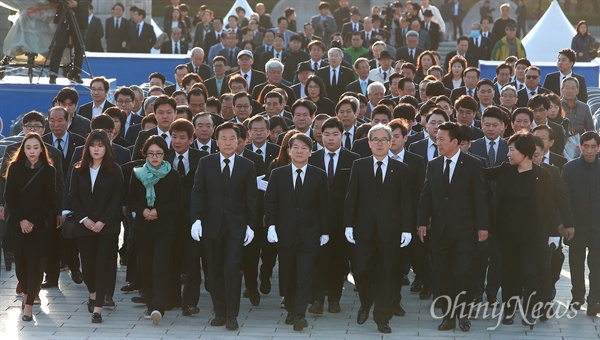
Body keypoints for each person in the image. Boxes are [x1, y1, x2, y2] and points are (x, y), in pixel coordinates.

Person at [418, 122, 488, 332]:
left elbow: (480, 197)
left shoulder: (473, 164)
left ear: (455, 142)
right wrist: (422, 221)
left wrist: (483, 226)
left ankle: (463, 314)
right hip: (440, 230)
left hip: (466, 230)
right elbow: (426, 195)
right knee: (444, 273)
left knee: (462, 271)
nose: (437, 142)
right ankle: (448, 316)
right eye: (437, 138)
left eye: (442, 139)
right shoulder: (433, 165)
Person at [344, 124, 413, 334]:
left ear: (391, 142)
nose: (380, 143)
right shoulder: (360, 165)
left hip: (390, 232)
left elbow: (406, 202)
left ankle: (382, 318)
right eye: (376, 139)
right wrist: (348, 224)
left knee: (386, 274)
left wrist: (406, 229)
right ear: (369, 143)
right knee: (361, 270)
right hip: (363, 230)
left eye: (384, 139)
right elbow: (351, 198)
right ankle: (366, 302)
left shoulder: (401, 169)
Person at [483, 131, 556, 326]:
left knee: (530, 273)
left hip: (533, 235)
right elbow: (482, 173)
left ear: (524, 152)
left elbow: (549, 207)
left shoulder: (543, 176)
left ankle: (530, 311)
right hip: (507, 234)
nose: (509, 154)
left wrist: (553, 234)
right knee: (509, 272)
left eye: (512, 150)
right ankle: (508, 310)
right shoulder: (506, 170)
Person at [190, 122, 257, 331]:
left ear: (239, 141)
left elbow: (251, 198)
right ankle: (219, 312)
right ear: (216, 141)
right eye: (224, 138)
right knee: (214, 271)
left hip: (236, 227)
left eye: (232, 138)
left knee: (231, 269)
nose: (228, 142)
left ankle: (232, 315)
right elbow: (198, 192)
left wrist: (251, 226)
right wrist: (196, 219)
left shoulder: (247, 165)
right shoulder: (206, 163)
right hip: (211, 225)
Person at [265, 132, 331, 331]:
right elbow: (270, 202)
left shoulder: (319, 175)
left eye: (304, 148)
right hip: (285, 232)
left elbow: (324, 206)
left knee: (305, 272)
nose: (300, 151)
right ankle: (291, 309)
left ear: (311, 152)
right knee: (288, 273)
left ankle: (301, 313)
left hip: (310, 234)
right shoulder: (278, 174)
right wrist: (271, 226)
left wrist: (325, 231)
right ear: (289, 150)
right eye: (296, 148)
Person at [69, 130, 123, 323]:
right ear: (88, 148)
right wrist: (84, 219)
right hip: (84, 227)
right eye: (93, 145)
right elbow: (73, 197)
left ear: (106, 148)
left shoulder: (114, 170)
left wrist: (103, 221)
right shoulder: (78, 170)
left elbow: (117, 199)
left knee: (103, 265)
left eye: (101, 145)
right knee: (88, 266)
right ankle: (92, 292)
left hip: (107, 228)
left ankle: (98, 309)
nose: (97, 149)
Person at [308, 118, 359, 314]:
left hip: (342, 220)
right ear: (320, 136)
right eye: (326, 134)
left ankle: (334, 299)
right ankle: (317, 299)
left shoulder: (353, 159)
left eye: (335, 134)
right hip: (316, 220)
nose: (330, 138)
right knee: (317, 260)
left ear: (342, 136)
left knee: (339, 260)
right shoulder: (312, 158)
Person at [4, 133, 57, 322]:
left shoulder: (49, 170)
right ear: (23, 149)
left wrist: (32, 221)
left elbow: (48, 200)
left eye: (36, 147)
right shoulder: (15, 167)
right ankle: (26, 293)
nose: (32, 151)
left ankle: (28, 305)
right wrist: (21, 220)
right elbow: (9, 197)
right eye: (28, 148)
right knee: (21, 266)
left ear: (42, 149)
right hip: (18, 225)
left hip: (39, 226)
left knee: (36, 265)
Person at [129, 136, 181, 325]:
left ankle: (158, 306)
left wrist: (158, 211)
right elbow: (131, 199)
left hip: (164, 228)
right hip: (143, 228)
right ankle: (150, 304)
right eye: (151, 154)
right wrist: (143, 210)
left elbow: (177, 203)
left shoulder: (172, 175)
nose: (154, 157)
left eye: (158, 153)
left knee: (160, 266)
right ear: (145, 154)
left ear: (164, 154)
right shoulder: (137, 173)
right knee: (147, 267)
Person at [562, 131, 600, 316]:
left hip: (598, 226)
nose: (590, 150)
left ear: (598, 147)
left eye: (593, 146)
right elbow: (565, 198)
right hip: (576, 224)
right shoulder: (570, 168)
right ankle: (577, 297)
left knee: (597, 265)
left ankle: (595, 300)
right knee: (576, 264)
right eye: (586, 146)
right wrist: (566, 223)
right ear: (580, 147)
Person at [48, 0, 89, 83]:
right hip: (63, 18)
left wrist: (77, 4)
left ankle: (76, 74)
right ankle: (53, 74)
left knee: (79, 49)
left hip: (80, 20)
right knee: (58, 47)